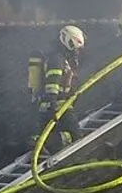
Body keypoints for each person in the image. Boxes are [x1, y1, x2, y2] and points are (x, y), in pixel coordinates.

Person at [28, 25, 87, 153]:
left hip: (50, 105)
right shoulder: (57, 59)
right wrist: (52, 103)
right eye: (76, 47)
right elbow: (52, 84)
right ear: (68, 41)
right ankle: (44, 141)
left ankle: (46, 142)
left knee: (63, 136)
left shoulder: (59, 58)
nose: (77, 51)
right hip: (58, 106)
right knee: (76, 136)